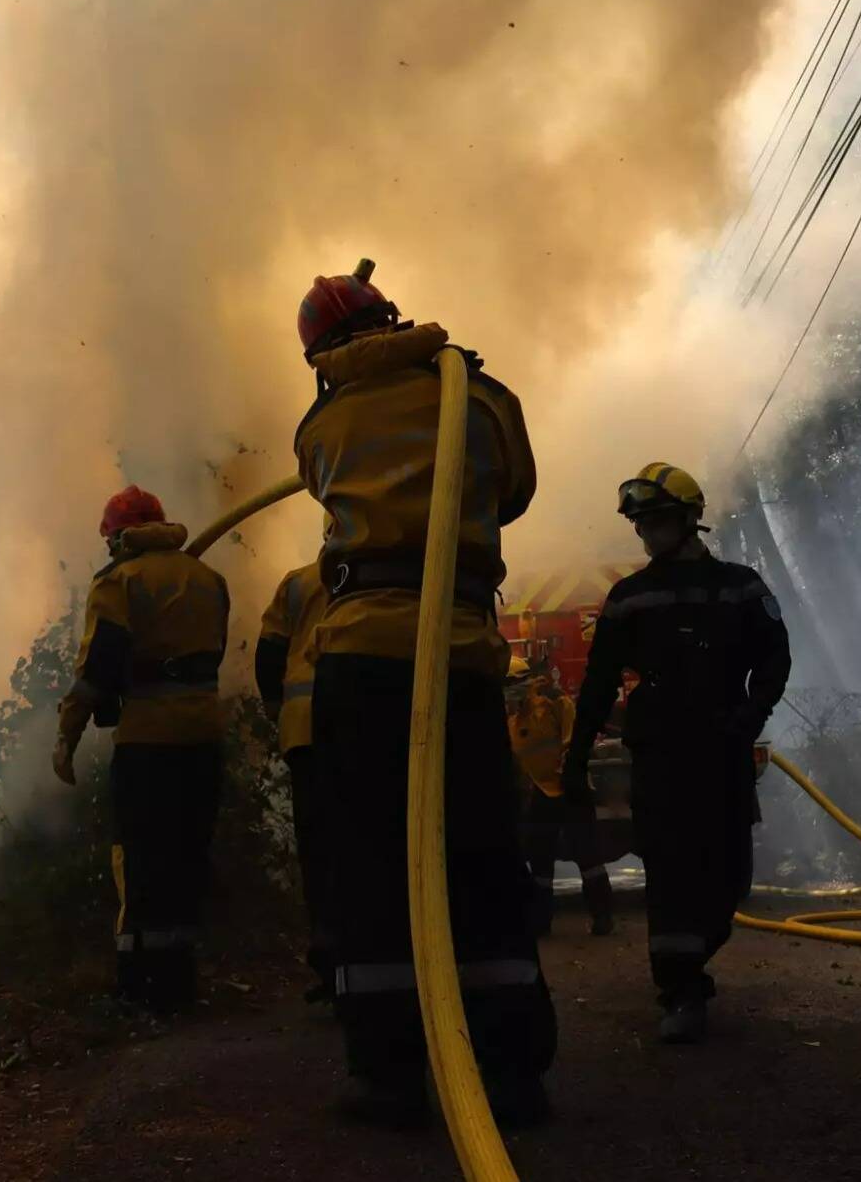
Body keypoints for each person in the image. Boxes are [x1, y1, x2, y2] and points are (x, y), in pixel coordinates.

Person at [294, 259, 556, 1126]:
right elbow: (512, 491)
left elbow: (323, 486)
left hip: (360, 654)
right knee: (478, 845)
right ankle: (508, 1069)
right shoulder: (474, 395)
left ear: (321, 350)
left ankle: (389, 1068)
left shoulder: (322, 422)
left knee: (369, 859)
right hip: (456, 648)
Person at [561, 463, 791, 1043]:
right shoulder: (629, 598)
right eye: (641, 523)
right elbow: (598, 682)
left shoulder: (741, 586)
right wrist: (576, 752)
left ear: (691, 519)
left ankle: (697, 955)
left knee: (729, 873)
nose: (647, 533)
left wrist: (748, 718)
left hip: (722, 751)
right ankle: (682, 990)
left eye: (657, 520)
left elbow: (774, 660)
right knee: (667, 869)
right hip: (661, 754)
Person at [52, 485, 230, 1014]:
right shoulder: (208, 579)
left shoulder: (118, 582)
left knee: (141, 861)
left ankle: (138, 988)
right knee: (187, 856)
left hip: (148, 742)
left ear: (119, 537)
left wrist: (68, 734)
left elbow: (97, 672)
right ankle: (180, 987)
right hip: (204, 736)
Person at [255, 554, 335, 1000]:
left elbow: (269, 653)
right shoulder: (394, 572)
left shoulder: (298, 583)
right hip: (368, 726)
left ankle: (329, 961)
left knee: (318, 848)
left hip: (304, 731)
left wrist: (277, 710)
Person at [505, 656, 616, 937]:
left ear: (524, 683)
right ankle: (541, 922)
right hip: (541, 794)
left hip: (570, 788)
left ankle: (603, 917)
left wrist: (570, 772)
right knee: (540, 862)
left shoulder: (555, 703)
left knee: (588, 857)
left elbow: (574, 739)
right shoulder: (512, 720)